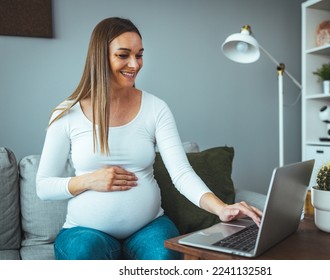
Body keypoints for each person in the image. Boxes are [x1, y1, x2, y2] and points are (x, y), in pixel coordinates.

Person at [36, 17, 262, 260]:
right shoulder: (67, 113)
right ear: (99, 57)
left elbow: (181, 173)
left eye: (139, 55)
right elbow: (43, 186)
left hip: (148, 227)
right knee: (82, 253)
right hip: (84, 230)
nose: (134, 64)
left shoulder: (156, 108)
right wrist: (89, 181)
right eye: (123, 55)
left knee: (164, 255)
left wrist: (221, 208)